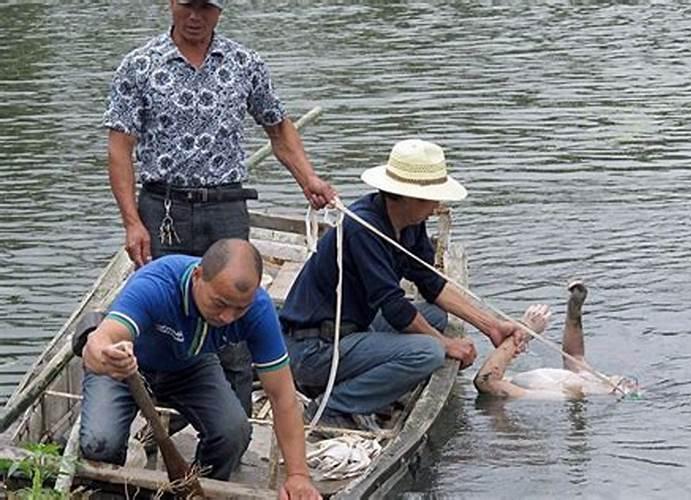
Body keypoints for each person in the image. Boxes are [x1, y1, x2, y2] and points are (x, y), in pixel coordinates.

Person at [103, 0, 335, 421]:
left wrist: (309, 180)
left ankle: (235, 424)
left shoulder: (245, 62)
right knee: (162, 311)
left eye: (207, 8)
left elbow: (278, 128)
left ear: (220, 11)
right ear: (172, 4)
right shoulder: (139, 65)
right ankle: (151, 419)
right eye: (188, 6)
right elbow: (120, 149)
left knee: (232, 313)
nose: (196, 17)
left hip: (226, 205)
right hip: (164, 206)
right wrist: (132, 222)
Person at [279, 139, 528, 427]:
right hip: (314, 348)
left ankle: (370, 387)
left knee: (435, 315)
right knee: (429, 352)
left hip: (353, 327)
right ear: (408, 196)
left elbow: (431, 282)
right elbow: (394, 306)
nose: (437, 206)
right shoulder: (364, 229)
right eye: (432, 198)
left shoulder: (409, 223)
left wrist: (491, 326)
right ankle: (333, 407)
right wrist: (446, 344)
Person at [79, 239, 320, 498]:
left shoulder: (258, 310)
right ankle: (109, 491)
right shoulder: (156, 284)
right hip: (126, 367)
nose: (227, 317)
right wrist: (105, 355)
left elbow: (282, 395)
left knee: (233, 434)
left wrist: (298, 476)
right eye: (219, 303)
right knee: (100, 444)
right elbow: (98, 344)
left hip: (191, 365)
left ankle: (196, 489)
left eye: (239, 308)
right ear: (197, 276)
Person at [473, 281, 639, 399]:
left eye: (626, 384)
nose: (629, 382)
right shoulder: (588, 381)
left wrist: (526, 330)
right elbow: (574, 356)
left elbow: (486, 382)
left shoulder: (559, 394)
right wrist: (574, 309)